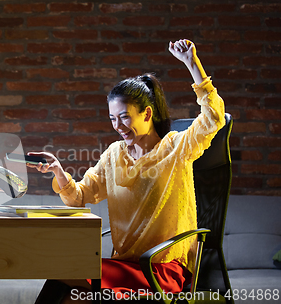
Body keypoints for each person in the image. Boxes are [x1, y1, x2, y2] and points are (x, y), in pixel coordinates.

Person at [27, 39, 225, 304]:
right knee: (69, 289)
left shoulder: (176, 148)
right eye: (112, 119)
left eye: (124, 117)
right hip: (125, 265)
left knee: (70, 287)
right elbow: (79, 196)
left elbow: (214, 117)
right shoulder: (114, 154)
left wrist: (192, 63)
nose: (117, 125)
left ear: (147, 114)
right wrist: (58, 171)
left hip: (162, 268)